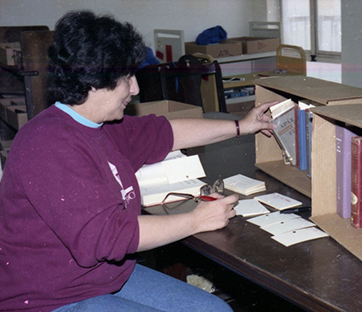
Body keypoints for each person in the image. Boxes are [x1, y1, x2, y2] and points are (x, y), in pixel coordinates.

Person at [0, 11, 276, 312]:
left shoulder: (100, 125)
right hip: (49, 298)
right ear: (94, 82)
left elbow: (167, 132)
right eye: (125, 79)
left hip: (102, 278)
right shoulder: (47, 145)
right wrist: (196, 220)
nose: (135, 89)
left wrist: (241, 126)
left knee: (215, 310)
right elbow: (108, 237)